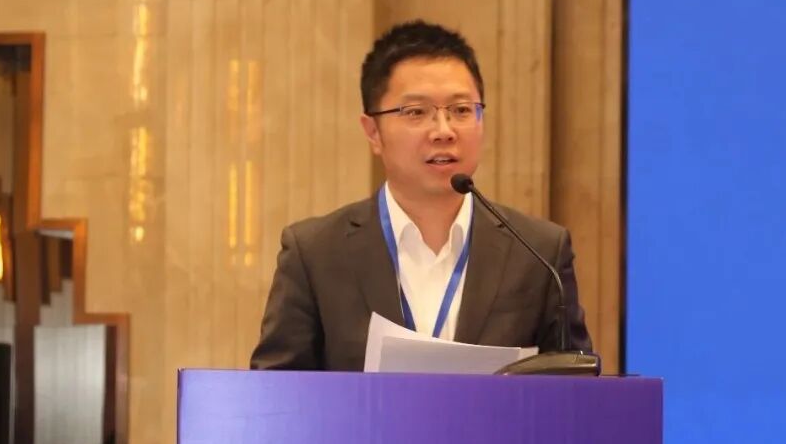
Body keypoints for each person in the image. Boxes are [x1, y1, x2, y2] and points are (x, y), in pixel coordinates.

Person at [251, 20, 591, 371]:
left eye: (461, 110)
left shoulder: (539, 253)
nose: (444, 131)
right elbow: (276, 390)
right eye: (416, 112)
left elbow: (575, 389)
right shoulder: (316, 253)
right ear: (373, 132)